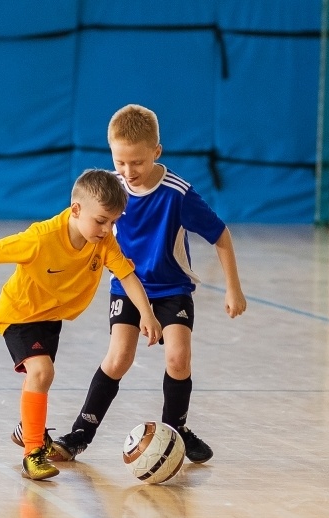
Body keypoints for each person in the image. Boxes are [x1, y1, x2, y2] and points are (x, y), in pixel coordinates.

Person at [44, 103, 247, 464]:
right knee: (119, 357)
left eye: (136, 162)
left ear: (157, 151)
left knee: (178, 358)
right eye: (120, 162)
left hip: (172, 288)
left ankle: (175, 433)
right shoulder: (112, 189)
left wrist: (233, 288)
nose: (127, 171)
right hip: (127, 285)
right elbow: (82, 228)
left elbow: (221, 236)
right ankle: (79, 434)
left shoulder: (178, 194)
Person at [0, 169, 162, 481]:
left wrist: (146, 313)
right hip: (20, 313)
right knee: (42, 372)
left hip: (50, 318)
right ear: (77, 210)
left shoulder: (102, 242)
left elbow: (127, 275)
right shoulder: (41, 238)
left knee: (39, 378)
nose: (107, 229)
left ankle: (30, 429)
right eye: (101, 220)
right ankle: (32, 453)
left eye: (114, 222)